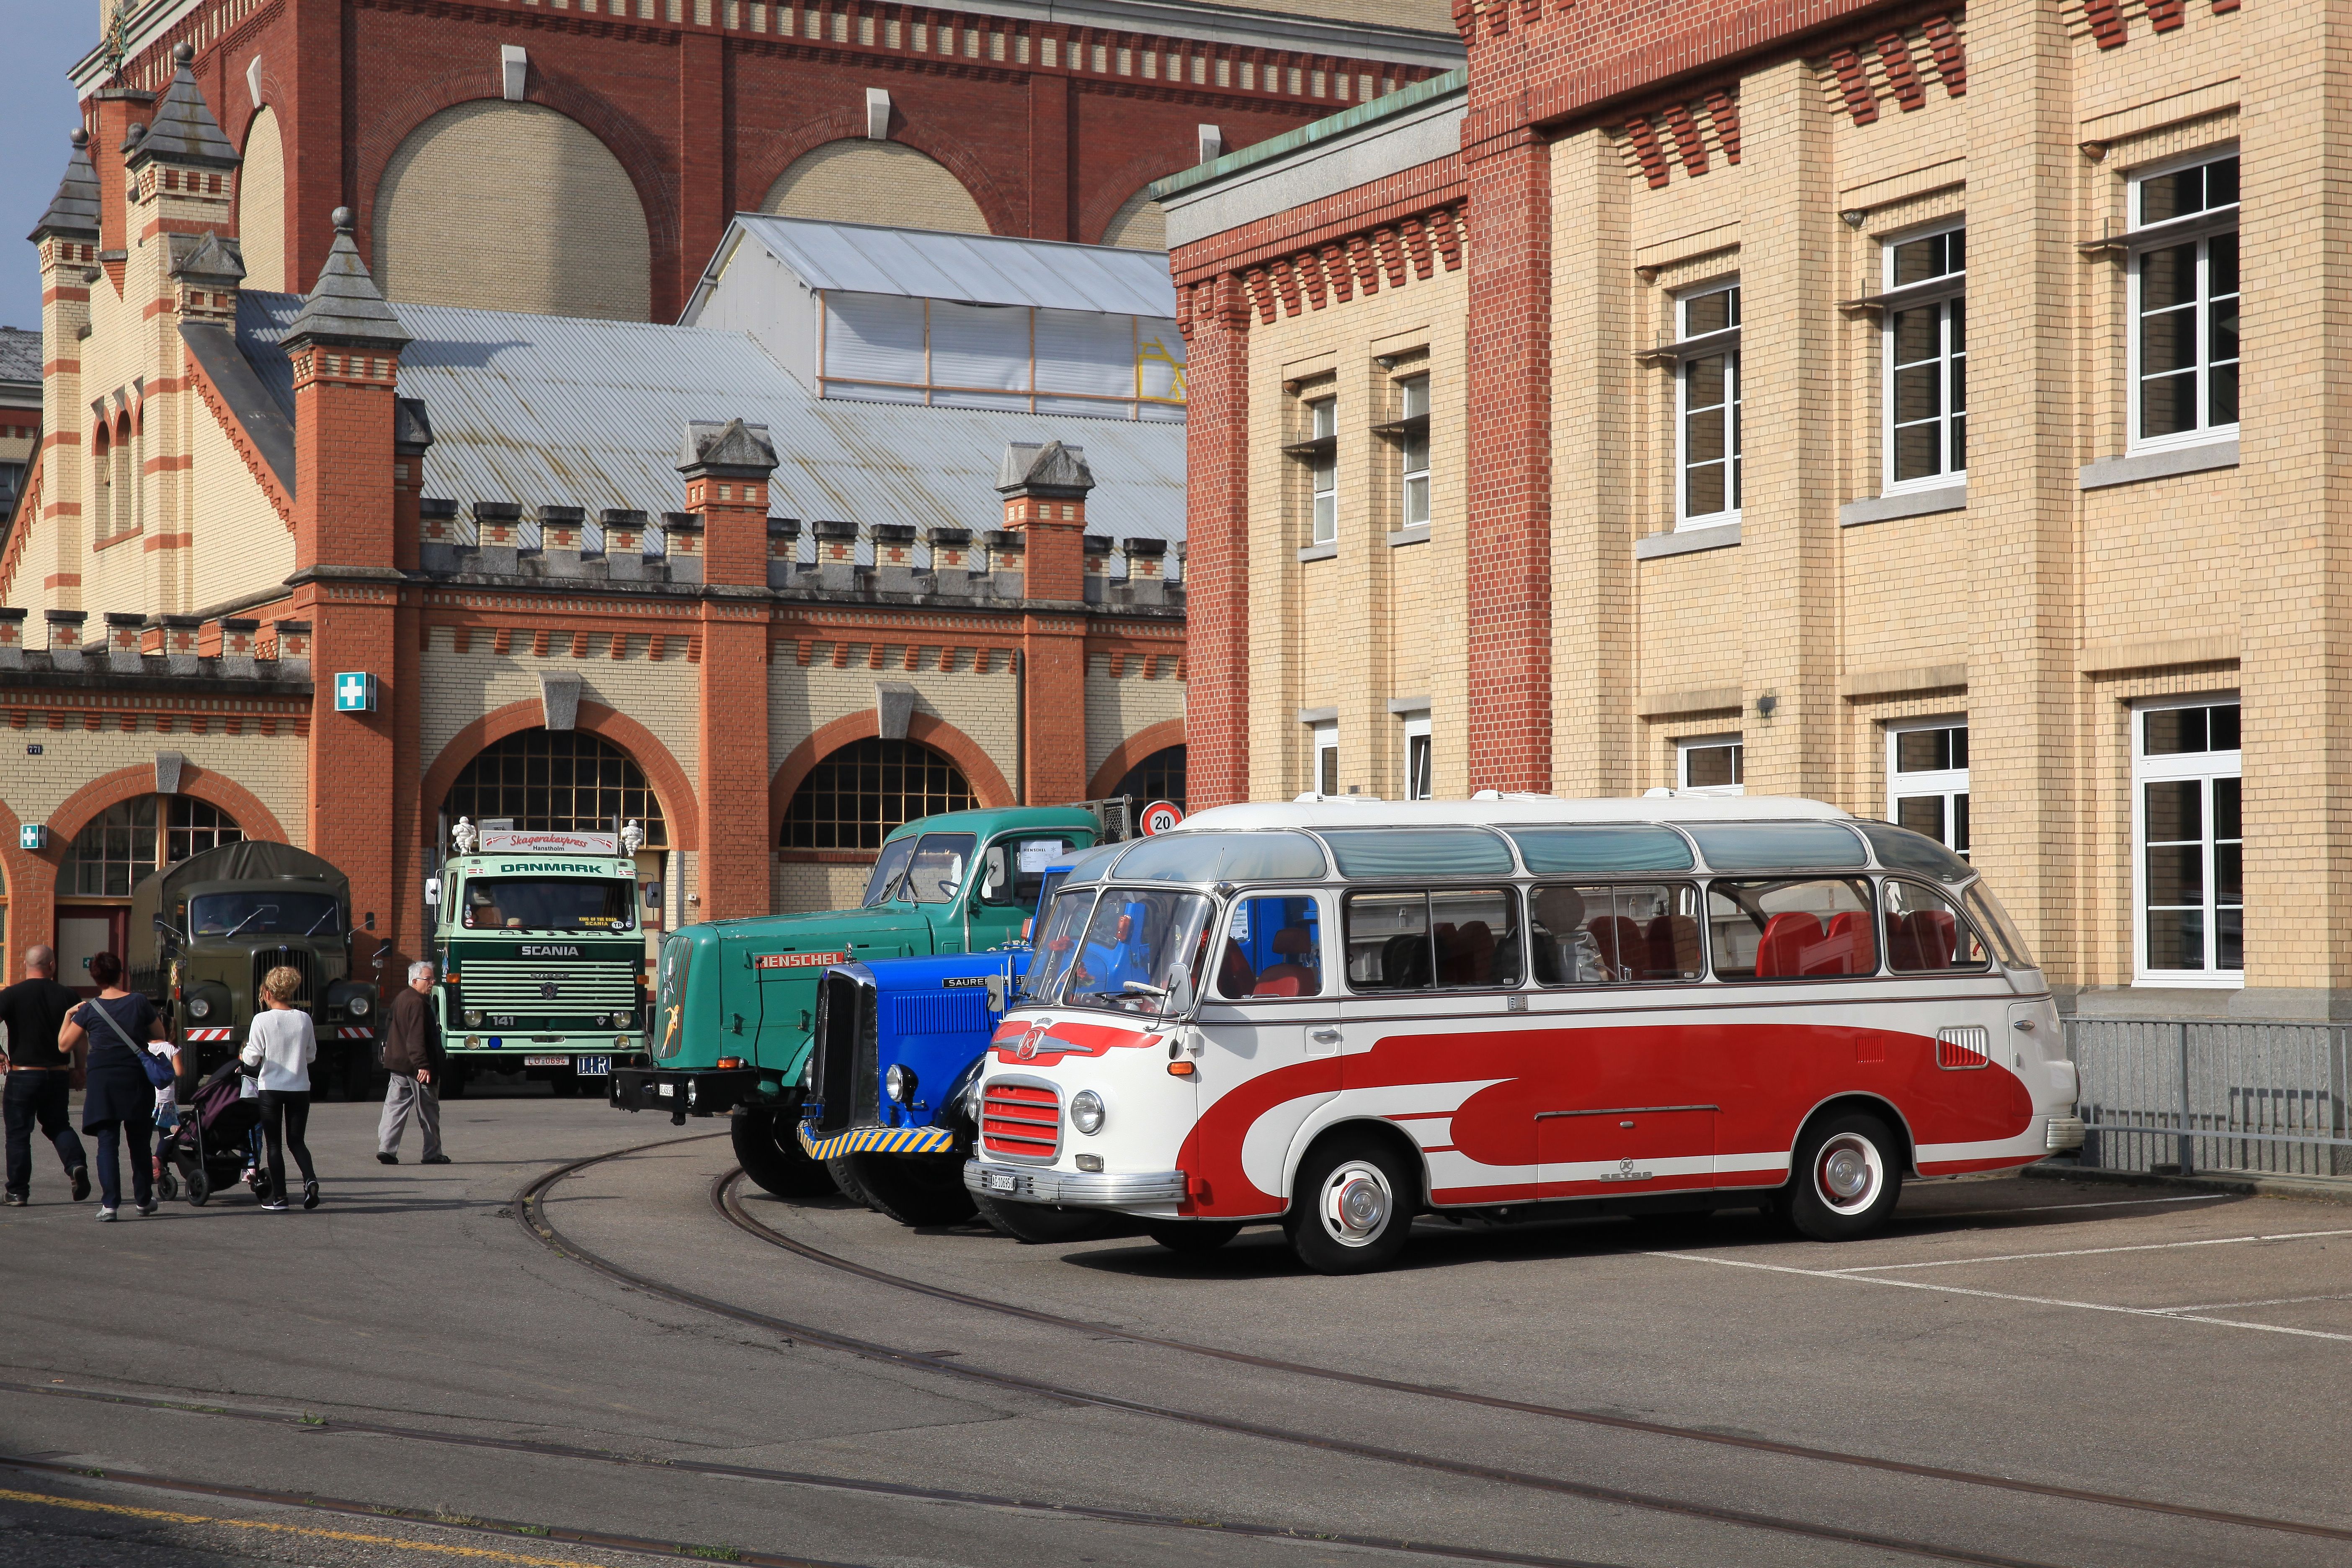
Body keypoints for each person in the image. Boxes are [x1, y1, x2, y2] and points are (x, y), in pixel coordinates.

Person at [56, 952, 170, 1220]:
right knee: (140, 1144)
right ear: (121, 974)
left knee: (107, 1144)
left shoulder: (89, 1010)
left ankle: (110, 1205)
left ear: (95, 978)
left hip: (103, 1083)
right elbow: (160, 1035)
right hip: (135, 1079)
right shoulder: (139, 1002)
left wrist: (67, 1015)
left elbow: (63, 1044)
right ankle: (144, 1201)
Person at [0, 945, 89, 1206]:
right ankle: (75, 1165)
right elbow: (81, 1036)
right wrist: (80, 1068)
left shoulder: (12, 995)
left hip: (22, 1075)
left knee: (18, 1134)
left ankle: (17, 1191)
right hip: (57, 1075)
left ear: (25, 966)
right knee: (59, 1124)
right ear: (52, 965)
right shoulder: (68, 996)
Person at [242, 965, 320, 1212]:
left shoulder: (261, 1020)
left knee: (274, 1144)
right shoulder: (303, 1019)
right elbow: (311, 1056)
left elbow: (252, 1059)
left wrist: (244, 1055)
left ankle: (280, 1198)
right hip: (300, 1087)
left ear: (267, 993)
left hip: (271, 1088)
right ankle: (310, 1180)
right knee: (297, 1141)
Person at [377, 960, 448, 1166]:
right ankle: (432, 1153)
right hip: (417, 1067)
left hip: (398, 1064)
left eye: (433, 978)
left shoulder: (401, 998)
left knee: (394, 1107)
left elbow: (390, 1026)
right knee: (429, 1110)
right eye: (428, 979)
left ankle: (387, 1150)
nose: (432, 982)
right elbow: (416, 1037)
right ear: (415, 981)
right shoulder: (418, 1003)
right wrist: (423, 1065)